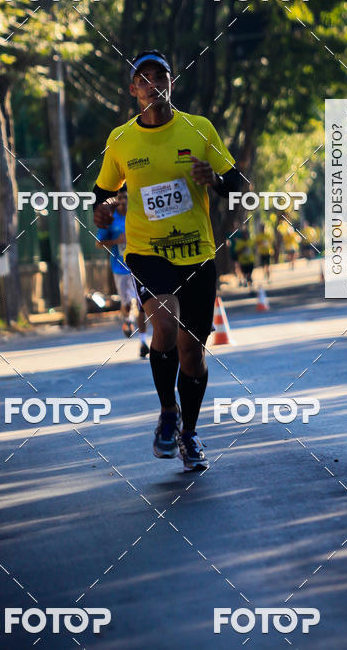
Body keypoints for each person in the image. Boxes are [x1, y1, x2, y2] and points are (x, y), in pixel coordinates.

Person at [92, 50, 244, 472]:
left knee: (192, 353)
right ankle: (167, 412)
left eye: (161, 76)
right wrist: (101, 210)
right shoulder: (121, 139)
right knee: (164, 321)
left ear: (171, 83)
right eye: (145, 78)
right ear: (133, 90)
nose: (154, 84)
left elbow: (238, 186)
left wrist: (212, 179)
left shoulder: (200, 129)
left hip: (197, 254)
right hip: (147, 252)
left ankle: (190, 433)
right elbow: (101, 191)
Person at [96, 187, 149, 359]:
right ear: (117, 199)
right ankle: (127, 318)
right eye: (121, 197)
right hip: (120, 268)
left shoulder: (137, 215)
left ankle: (143, 342)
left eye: (126, 197)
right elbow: (99, 242)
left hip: (140, 266)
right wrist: (116, 241)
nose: (124, 200)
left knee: (142, 306)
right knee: (127, 304)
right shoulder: (111, 220)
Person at [234, 224, 255, 289]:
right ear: (242, 235)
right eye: (244, 234)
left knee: (249, 274)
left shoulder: (250, 241)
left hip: (250, 261)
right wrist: (242, 249)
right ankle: (247, 281)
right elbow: (237, 252)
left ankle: (250, 287)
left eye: (246, 234)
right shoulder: (239, 242)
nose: (245, 235)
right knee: (245, 275)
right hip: (243, 262)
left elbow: (253, 249)